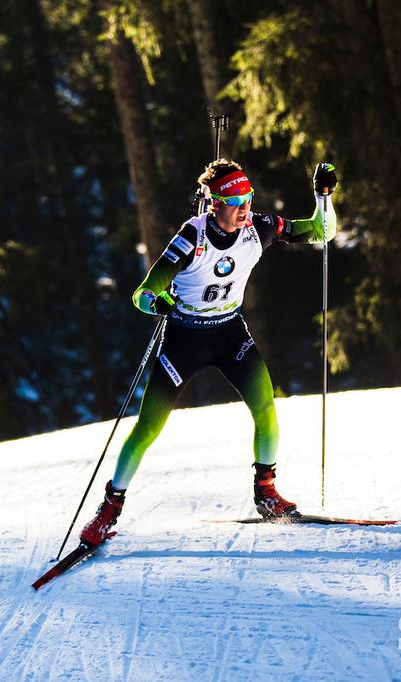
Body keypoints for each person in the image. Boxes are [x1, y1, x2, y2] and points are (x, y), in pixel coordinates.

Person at [79, 159, 338, 546]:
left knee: (266, 408)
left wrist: (323, 197)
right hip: (184, 339)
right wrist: (160, 302)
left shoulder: (259, 228)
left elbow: (322, 232)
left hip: (230, 334)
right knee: (147, 428)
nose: (244, 209)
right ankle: (108, 511)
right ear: (214, 203)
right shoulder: (191, 238)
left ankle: (266, 493)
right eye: (234, 202)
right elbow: (142, 294)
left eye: (247, 199)